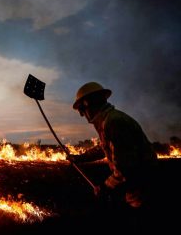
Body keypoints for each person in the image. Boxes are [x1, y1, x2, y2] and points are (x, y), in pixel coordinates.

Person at [68, 82, 158, 212]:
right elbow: (103, 148)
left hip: (142, 189)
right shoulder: (108, 121)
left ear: (89, 104)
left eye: (82, 109)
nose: (82, 115)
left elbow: (124, 168)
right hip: (135, 186)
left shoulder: (114, 122)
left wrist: (105, 188)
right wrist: (79, 158)